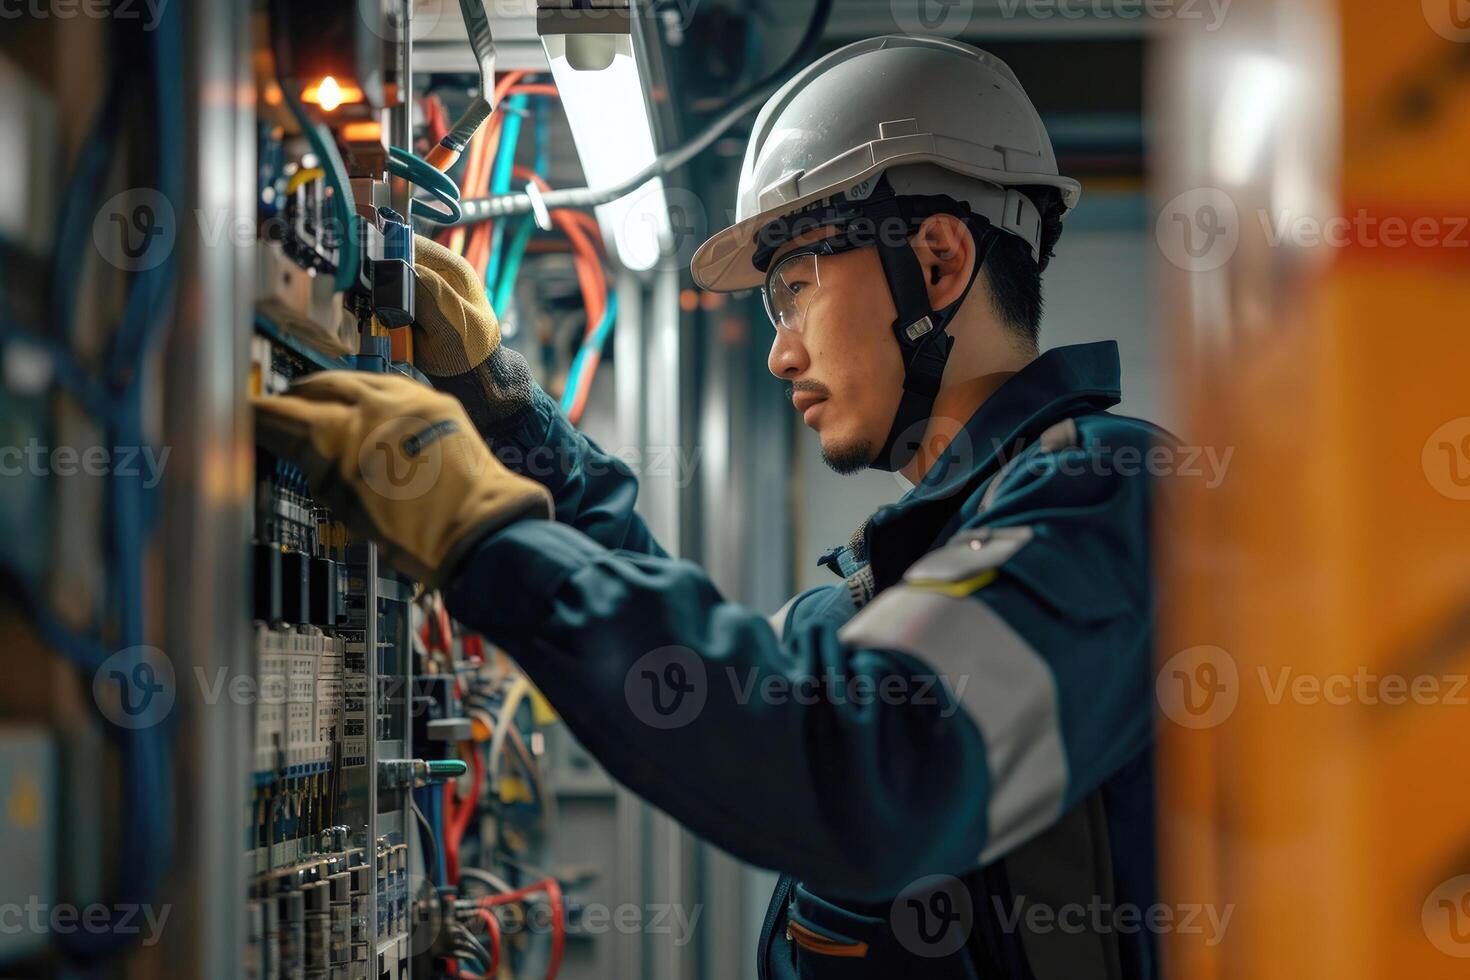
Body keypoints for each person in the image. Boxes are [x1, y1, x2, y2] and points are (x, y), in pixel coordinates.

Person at [257, 35, 1166, 980]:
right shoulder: (903, 586)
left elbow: (865, 767)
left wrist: (486, 536)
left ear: (936, 262)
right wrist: (503, 410)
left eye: (795, 289)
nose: (779, 353)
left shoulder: (1111, 500)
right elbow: (722, 685)